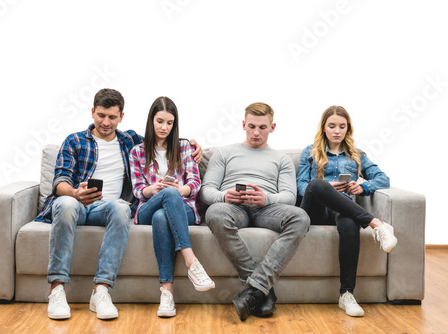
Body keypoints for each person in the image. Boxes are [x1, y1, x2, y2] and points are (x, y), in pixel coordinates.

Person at [35, 89, 202, 320]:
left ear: (121, 117)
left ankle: (101, 290)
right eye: (101, 115)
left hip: (107, 209)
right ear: (92, 112)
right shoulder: (74, 140)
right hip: (76, 203)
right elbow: (59, 181)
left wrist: (192, 144)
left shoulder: (129, 142)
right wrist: (75, 192)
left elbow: (161, 138)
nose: (106, 122)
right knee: (64, 204)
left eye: (112, 117)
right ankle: (57, 289)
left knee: (122, 207)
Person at [200, 102, 310, 321]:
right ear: (243, 125)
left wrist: (266, 198)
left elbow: (290, 196)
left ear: (272, 127)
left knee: (301, 217)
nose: (256, 132)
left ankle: (255, 290)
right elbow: (206, 191)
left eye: (262, 127)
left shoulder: (282, 159)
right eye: (251, 126)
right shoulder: (224, 153)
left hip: (267, 210)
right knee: (215, 213)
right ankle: (261, 290)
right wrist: (225, 196)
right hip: (233, 207)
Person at [296, 105, 398, 318]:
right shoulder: (310, 152)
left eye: (342, 126)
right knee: (317, 184)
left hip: (341, 209)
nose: (337, 131)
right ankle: (376, 224)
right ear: (323, 127)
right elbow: (301, 187)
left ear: (347, 129)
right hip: (314, 210)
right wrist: (327, 187)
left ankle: (346, 294)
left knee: (350, 222)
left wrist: (362, 187)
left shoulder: (356, 155)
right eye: (332, 126)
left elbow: (383, 179)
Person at [129, 96, 215, 318]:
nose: (164, 127)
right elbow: (138, 189)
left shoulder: (184, 147)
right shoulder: (137, 151)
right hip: (147, 206)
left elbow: (195, 184)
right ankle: (191, 261)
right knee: (163, 198)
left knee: (162, 216)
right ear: (151, 120)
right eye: (159, 121)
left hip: (182, 206)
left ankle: (166, 292)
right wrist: (153, 189)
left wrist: (180, 189)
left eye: (169, 123)